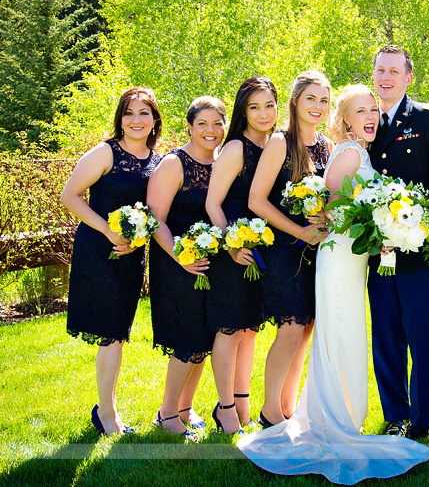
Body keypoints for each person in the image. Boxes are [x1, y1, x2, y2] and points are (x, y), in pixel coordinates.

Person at [238, 84, 429, 484]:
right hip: (339, 255)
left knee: (344, 331)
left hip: (351, 257)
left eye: (374, 109)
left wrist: (383, 222)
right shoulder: (348, 152)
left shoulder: (349, 149)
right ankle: (335, 417)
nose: (370, 116)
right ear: (345, 118)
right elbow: (327, 207)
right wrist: (373, 219)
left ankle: (339, 411)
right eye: (360, 110)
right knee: (341, 331)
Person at [368, 45, 429, 440]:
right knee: (385, 335)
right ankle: (394, 414)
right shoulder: (365, 118)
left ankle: (421, 420)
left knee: (421, 337)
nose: (386, 77)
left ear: (408, 78)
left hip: (421, 252)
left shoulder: (427, 118)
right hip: (378, 253)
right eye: (380, 71)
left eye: (394, 71)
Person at [61, 87, 162, 435]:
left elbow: (155, 214)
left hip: (130, 257)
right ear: (120, 118)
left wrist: (138, 241)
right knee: (110, 334)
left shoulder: (158, 161)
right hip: (98, 250)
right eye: (129, 113)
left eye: (144, 113)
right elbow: (69, 196)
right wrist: (108, 231)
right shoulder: (105, 153)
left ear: (154, 120)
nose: (136, 120)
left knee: (117, 331)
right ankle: (106, 414)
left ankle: (105, 410)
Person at [248, 71, 332, 428]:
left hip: (317, 252)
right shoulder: (280, 143)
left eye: (324, 100)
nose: (317, 106)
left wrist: (325, 219)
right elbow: (256, 200)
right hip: (284, 249)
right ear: (296, 101)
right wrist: (299, 228)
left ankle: (287, 406)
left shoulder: (326, 145)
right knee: (291, 326)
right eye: (310, 98)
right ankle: (269, 412)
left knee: (308, 326)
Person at [147, 96, 228, 438]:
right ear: (190, 127)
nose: (211, 131)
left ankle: (184, 406)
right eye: (203, 124)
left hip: (210, 263)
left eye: (217, 123)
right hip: (176, 263)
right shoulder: (174, 163)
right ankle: (167, 415)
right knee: (188, 337)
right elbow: (153, 218)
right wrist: (181, 256)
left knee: (205, 339)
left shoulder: (223, 161)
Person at [205, 78, 278, 434]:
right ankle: (225, 407)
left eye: (269, 105)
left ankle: (244, 401)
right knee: (230, 329)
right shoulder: (236, 147)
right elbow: (212, 202)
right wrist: (231, 245)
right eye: (254, 107)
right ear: (242, 112)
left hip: (262, 249)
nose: (263, 114)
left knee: (250, 329)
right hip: (232, 249)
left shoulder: (276, 145)